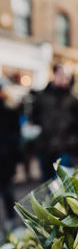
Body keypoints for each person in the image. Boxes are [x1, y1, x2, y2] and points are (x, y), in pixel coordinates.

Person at [32, 65, 78, 181]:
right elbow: (35, 117)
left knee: (60, 180)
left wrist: (73, 138)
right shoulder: (42, 96)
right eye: (62, 75)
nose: (65, 79)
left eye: (67, 76)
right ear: (54, 75)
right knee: (46, 180)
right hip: (45, 145)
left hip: (65, 146)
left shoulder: (73, 99)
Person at [0, 84, 20, 229]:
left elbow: (16, 134)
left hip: (5, 158)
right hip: (6, 156)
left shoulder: (9, 110)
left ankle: (11, 221)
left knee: (7, 190)